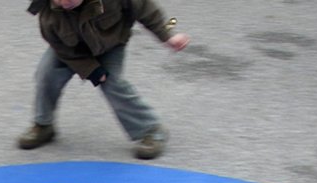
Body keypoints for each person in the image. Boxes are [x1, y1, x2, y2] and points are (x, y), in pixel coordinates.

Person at [18, 0, 190, 159]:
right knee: (46, 74)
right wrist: (91, 70)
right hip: (72, 50)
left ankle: (151, 130)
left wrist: (168, 35)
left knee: (112, 83)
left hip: (111, 45)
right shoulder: (49, 12)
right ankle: (43, 125)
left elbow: (146, 9)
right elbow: (62, 49)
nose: (65, 3)